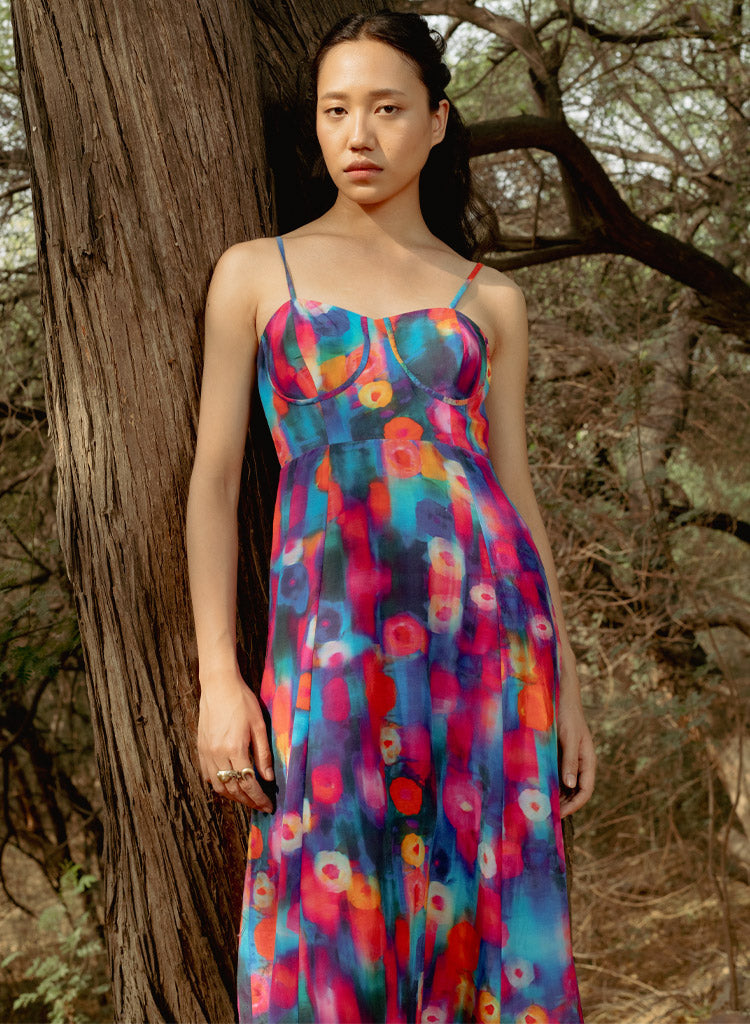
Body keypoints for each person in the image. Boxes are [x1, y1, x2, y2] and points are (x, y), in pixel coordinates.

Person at [186, 9, 596, 1023]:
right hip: (330, 656)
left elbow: (515, 492)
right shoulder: (256, 271)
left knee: (483, 911)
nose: (358, 135)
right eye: (336, 111)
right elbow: (214, 481)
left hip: (487, 654)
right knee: (326, 905)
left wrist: (571, 690)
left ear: (438, 120)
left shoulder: (490, 298)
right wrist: (218, 678)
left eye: (386, 108)